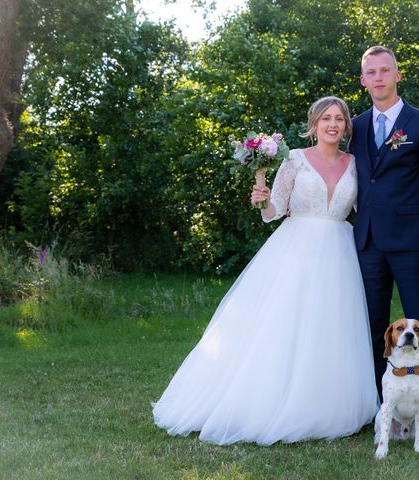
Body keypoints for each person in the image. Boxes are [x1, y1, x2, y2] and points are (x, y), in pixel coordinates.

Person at [152, 96, 379, 445]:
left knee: (331, 328)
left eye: (339, 119)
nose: (332, 124)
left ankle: (325, 404)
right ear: (314, 124)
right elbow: (274, 212)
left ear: (347, 126)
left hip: (340, 252)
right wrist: (263, 199)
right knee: (285, 326)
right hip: (296, 249)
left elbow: (366, 210)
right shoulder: (294, 161)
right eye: (325, 118)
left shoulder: (355, 164)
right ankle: (271, 400)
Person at [349, 46, 419, 438]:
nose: (378, 78)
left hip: (413, 244)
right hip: (368, 243)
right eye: (370, 72)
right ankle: (379, 412)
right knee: (373, 328)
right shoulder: (355, 126)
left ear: (397, 75)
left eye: (384, 71)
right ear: (363, 80)